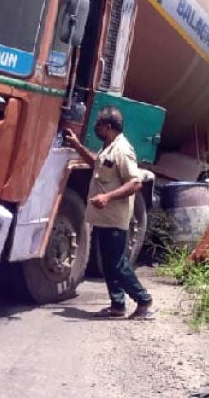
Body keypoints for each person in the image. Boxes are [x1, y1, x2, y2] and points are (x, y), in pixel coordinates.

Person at [63, 106, 155, 320]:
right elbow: (97, 165)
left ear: (109, 127)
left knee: (117, 263)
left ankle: (144, 300)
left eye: (99, 125)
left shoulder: (122, 150)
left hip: (115, 218)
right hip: (104, 219)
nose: (96, 127)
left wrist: (107, 197)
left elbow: (135, 183)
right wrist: (77, 146)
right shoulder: (109, 147)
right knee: (109, 263)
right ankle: (117, 305)